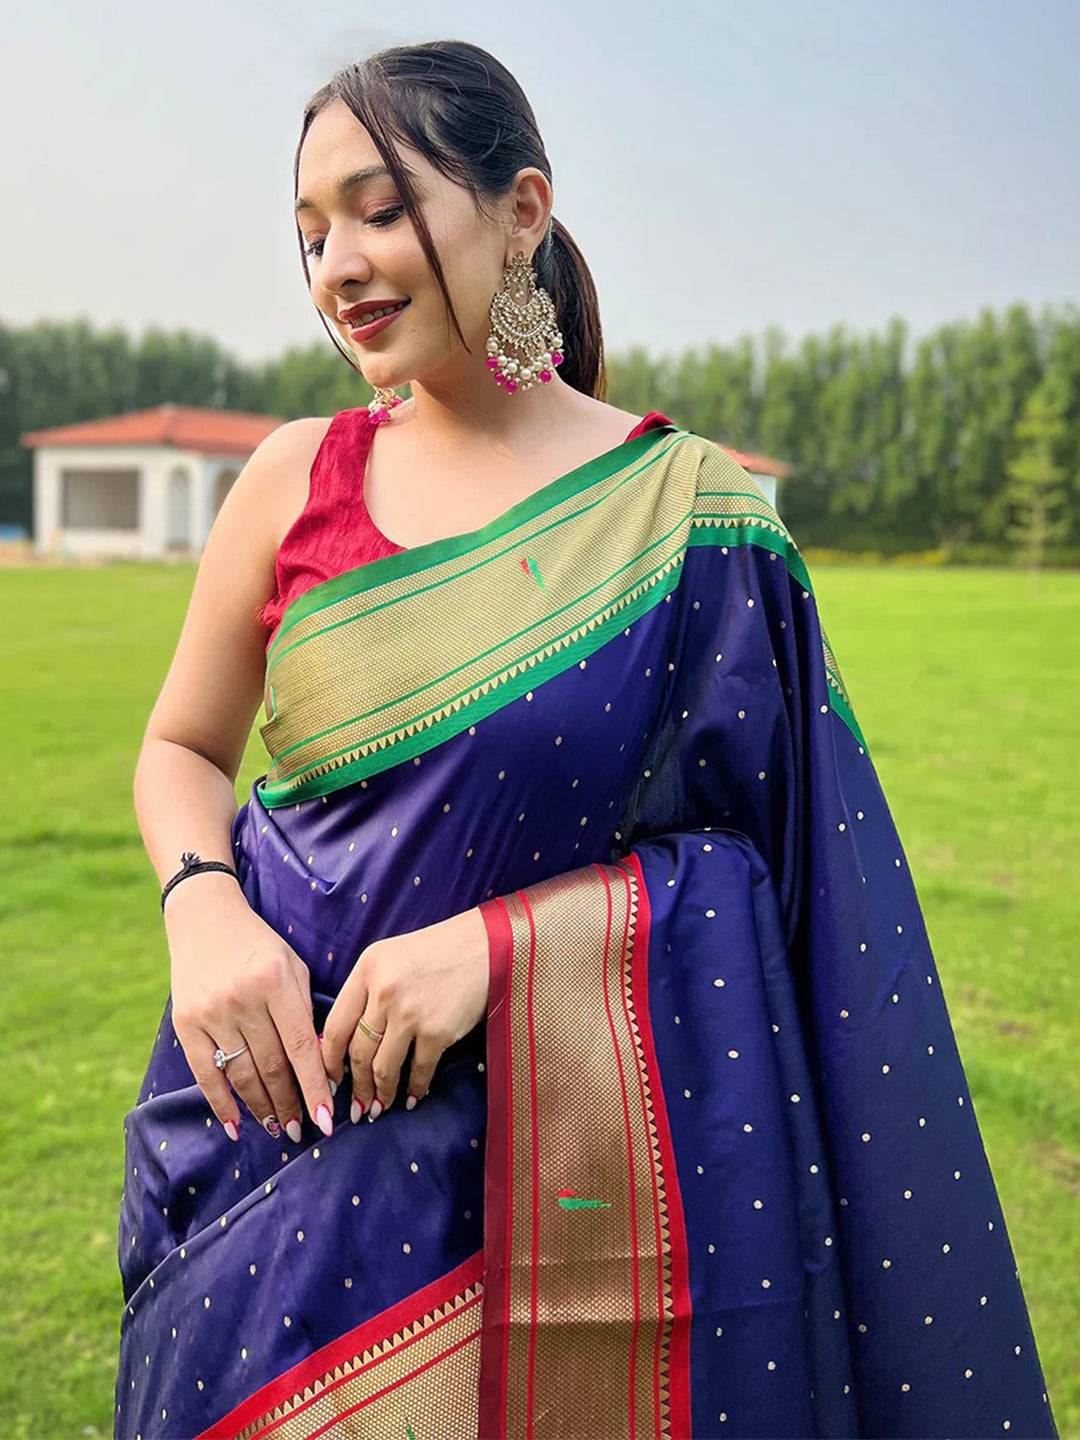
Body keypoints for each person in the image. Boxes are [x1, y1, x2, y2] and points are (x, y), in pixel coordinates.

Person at [113, 38, 1057, 1440]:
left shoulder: (690, 515)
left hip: (578, 1187)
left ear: (523, 211)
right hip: (271, 1157)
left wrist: (501, 952)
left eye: (381, 210)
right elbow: (182, 750)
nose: (340, 268)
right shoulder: (287, 483)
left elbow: (773, 876)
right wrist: (204, 913)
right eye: (311, 236)